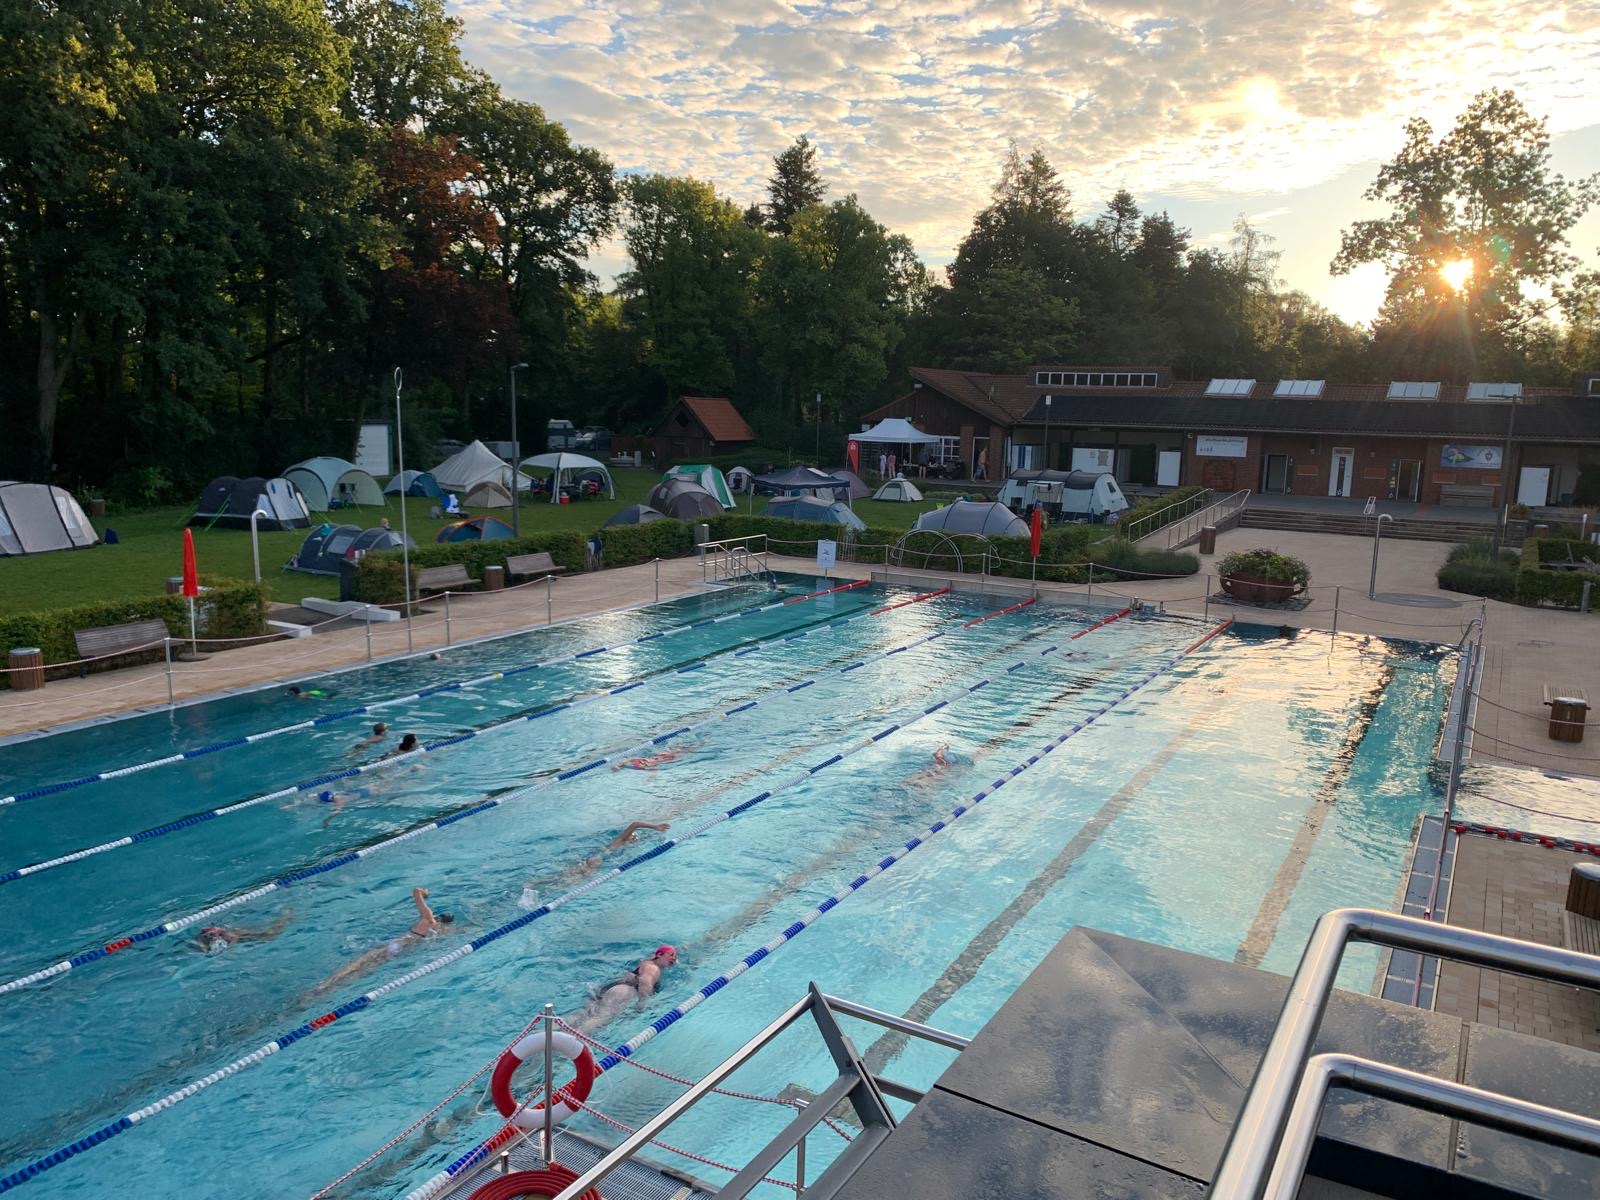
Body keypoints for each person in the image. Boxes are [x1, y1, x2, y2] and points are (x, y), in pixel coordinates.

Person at [314, 887, 453, 992]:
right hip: (401, 950)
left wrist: (425, 892)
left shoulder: (429, 920)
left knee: (357, 963)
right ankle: (331, 990)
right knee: (364, 969)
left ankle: (325, 985)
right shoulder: (437, 931)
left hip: (396, 944)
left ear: (438, 917)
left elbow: (416, 891)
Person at [519, 821, 671, 908]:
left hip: (592, 861)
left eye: (636, 838)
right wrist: (655, 827)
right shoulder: (620, 841)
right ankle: (539, 895)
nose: (635, 839)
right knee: (569, 883)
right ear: (628, 837)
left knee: (564, 877)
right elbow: (635, 824)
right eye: (633, 837)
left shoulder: (625, 846)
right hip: (594, 861)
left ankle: (536, 883)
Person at [570, 945, 678, 1033]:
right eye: (671, 955)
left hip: (613, 988)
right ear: (659, 955)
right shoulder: (654, 968)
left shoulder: (647, 962)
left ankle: (558, 1028)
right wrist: (643, 1004)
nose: (674, 958)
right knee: (600, 1019)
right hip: (625, 992)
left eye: (675, 956)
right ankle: (570, 1044)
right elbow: (645, 982)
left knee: (585, 1014)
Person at [196, 911, 292, 955]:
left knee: (270, 934)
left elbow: (235, 938)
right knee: (268, 937)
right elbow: (201, 944)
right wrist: (204, 949)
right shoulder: (204, 937)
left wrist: (230, 950)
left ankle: (285, 917)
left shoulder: (227, 935)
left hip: (243, 933)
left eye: (213, 936)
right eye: (209, 937)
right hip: (239, 935)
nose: (212, 938)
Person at [613, 744, 692, 772]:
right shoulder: (653, 764)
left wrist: (617, 765)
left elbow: (626, 760)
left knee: (676, 751)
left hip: (662, 756)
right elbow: (625, 760)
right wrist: (617, 766)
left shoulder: (640, 760)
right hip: (665, 758)